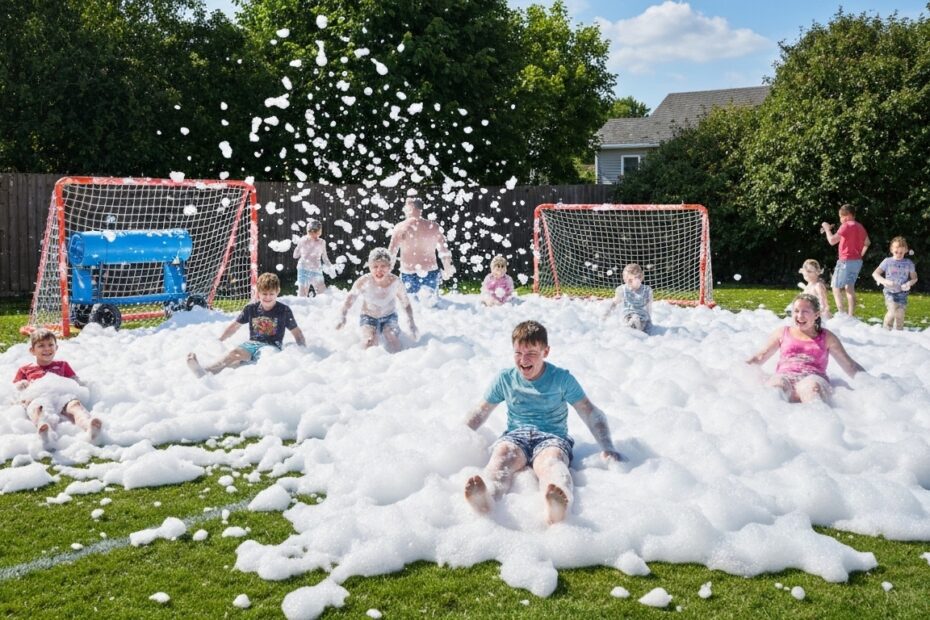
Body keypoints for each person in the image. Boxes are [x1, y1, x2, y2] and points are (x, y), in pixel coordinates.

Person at [463, 320, 622, 525]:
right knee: (502, 455)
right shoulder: (505, 378)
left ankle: (558, 503)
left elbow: (589, 412)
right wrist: (459, 434)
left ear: (545, 352)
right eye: (518, 353)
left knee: (550, 462)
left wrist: (608, 447)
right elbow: (481, 411)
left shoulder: (561, 379)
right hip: (516, 436)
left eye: (531, 353)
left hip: (552, 437)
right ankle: (487, 496)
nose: (523, 360)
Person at [747, 293, 864, 403]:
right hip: (785, 376)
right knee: (776, 387)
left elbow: (849, 365)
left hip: (813, 378)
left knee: (812, 389)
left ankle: (816, 414)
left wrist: (869, 383)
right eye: (796, 311)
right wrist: (740, 369)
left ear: (816, 315)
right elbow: (760, 356)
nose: (799, 316)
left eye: (805, 311)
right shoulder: (783, 332)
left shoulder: (827, 337)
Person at [187, 272, 306, 376]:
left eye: (271, 294)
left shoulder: (284, 310)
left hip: (271, 347)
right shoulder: (251, 309)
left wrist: (304, 354)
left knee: (256, 363)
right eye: (264, 294)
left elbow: (297, 333)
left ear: (277, 292)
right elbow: (234, 327)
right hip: (252, 345)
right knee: (234, 355)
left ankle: (216, 371)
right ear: (258, 293)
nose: (268, 297)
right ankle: (205, 372)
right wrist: (220, 340)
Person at [13, 328, 101, 441]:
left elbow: (74, 380)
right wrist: (22, 384)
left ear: (56, 347)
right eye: (41, 345)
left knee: (75, 405)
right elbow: (16, 389)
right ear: (32, 350)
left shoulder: (63, 365)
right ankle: (44, 428)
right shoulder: (25, 369)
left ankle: (88, 425)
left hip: (61, 395)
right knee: (38, 409)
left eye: (50, 345)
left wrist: (83, 384)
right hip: (39, 397)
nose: (47, 348)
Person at [336, 247, 418, 352]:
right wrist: (342, 316)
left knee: (391, 337)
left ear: (390, 267)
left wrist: (411, 322)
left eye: (383, 266)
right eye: (375, 266)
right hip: (368, 317)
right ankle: (363, 358)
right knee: (370, 340)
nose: (379, 270)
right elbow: (349, 299)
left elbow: (405, 302)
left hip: (389, 317)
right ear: (370, 267)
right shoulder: (364, 281)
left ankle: (400, 358)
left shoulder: (395, 282)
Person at [388, 196, 455, 302]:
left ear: (410, 207)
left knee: (411, 306)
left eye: (405, 206)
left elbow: (391, 253)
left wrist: (386, 274)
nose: (404, 209)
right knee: (431, 306)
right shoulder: (434, 227)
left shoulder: (400, 227)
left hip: (408, 273)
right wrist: (448, 270)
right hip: (431, 273)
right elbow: (444, 252)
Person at [821, 203, 870, 316]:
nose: (840, 220)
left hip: (845, 261)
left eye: (840, 217)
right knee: (849, 288)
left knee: (835, 287)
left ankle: (841, 314)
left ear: (847, 216)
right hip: (857, 262)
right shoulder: (860, 227)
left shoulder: (846, 225)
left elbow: (832, 241)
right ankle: (851, 315)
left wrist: (827, 229)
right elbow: (867, 242)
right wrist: (860, 255)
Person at [872, 236, 918, 330]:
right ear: (891, 249)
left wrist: (908, 284)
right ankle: (886, 331)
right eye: (896, 252)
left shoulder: (909, 263)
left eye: (901, 252)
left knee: (900, 314)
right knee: (892, 311)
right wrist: (884, 281)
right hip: (890, 292)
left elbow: (914, 278)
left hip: (902, 293)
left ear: (905, 251)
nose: (899, 254)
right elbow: (875, 274)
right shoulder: (887, 261)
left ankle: (899, 333)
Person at [603, 263, 653, 331]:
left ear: (641, 278)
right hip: (627, 316)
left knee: (637, 319)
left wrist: (650, 322)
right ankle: (630, 328)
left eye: (632, 279)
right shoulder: (622, 289)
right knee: (631, 321)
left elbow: (649, 308)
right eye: (627, 279)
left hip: (642, 318)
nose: (629, 282)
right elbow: (614, 303)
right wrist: (606, 315)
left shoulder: (647, 290)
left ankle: (635, 328)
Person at [293, 219, 333, 297]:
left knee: (305, 295)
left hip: (308, 269)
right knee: (321, 295)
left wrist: (331, 267)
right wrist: (331, 267)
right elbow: (325, 258)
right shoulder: (321, 242)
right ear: (319, 231)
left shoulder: (303, 240)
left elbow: (295, 255)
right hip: (310, 270)